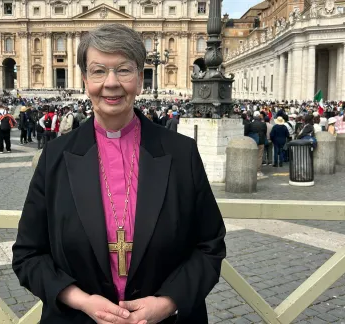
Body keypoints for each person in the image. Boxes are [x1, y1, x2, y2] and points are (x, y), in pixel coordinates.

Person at [12, 23, 226, 324]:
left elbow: (209, 247)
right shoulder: (55, 156)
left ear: (140, 79)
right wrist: (82, 301)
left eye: (124, 70)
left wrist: (167, 302)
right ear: (85, 80)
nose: (111, 83)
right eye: (98, 71)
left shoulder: (182, 153)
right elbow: (28, 255)